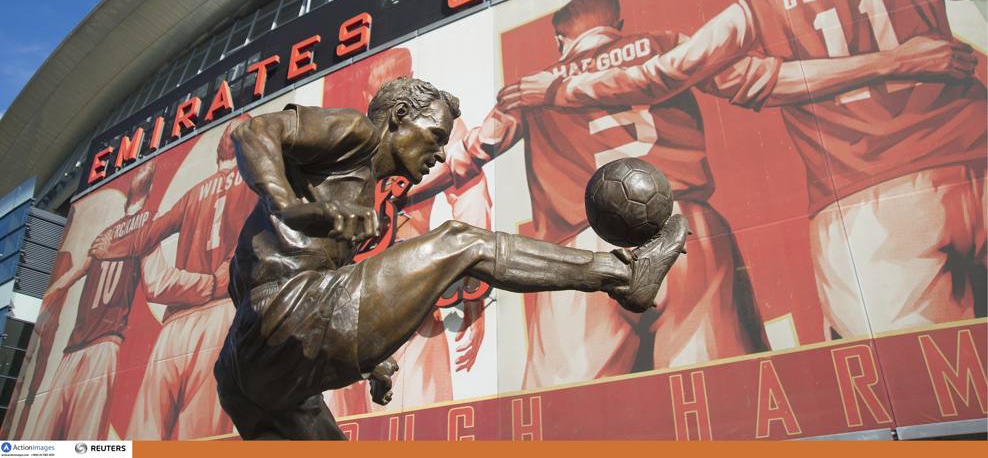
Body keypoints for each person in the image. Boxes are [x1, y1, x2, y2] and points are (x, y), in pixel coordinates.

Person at [498, 0, 987, 337]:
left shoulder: (756, 10)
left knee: (925, 378)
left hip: (873, 202)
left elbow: (661, 74)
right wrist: (902, 59)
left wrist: (563, 88)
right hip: (977, 156)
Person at [213, 76, 689, 440]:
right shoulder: (356, 133)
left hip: (245, 371)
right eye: (435, 136)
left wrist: (364, 357)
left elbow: (248, 283)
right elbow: (255, 131)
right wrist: (289, 205)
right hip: (285, 322)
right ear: (399, 115)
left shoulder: (349, 191)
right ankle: (621, 274)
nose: (440, 155)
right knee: (462, 242)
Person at [412, 0, 769, 388]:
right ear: (616, 26)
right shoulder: (667, 46)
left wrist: (395, 187)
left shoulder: (529, 88)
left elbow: (467, 153)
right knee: (720, 399)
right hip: (686, 231)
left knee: (569, 418)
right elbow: (749, 80)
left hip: (578, 253)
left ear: (561, 41)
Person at [322, 48, 490, 416]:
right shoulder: (352, 137)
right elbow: (470, 194)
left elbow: (469, 192)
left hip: (400, 293)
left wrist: (474, 294)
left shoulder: (434, 125)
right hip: (364, 300)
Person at [23, 162, 226, 439]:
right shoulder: (143, 225)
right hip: (93, 346)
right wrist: (210, 284)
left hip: (92, 344)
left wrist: (46, 300)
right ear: (151, 188)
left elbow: (70, 277)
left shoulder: (109, 234)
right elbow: (155, 282)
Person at [89, 116, 257, 439]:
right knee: (201, 435)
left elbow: (148, 234)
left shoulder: (192, 195)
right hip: (221, 314)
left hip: (174, 327)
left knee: (145, 436)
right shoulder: (255, 184)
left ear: (220, 152)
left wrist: (110, 248)